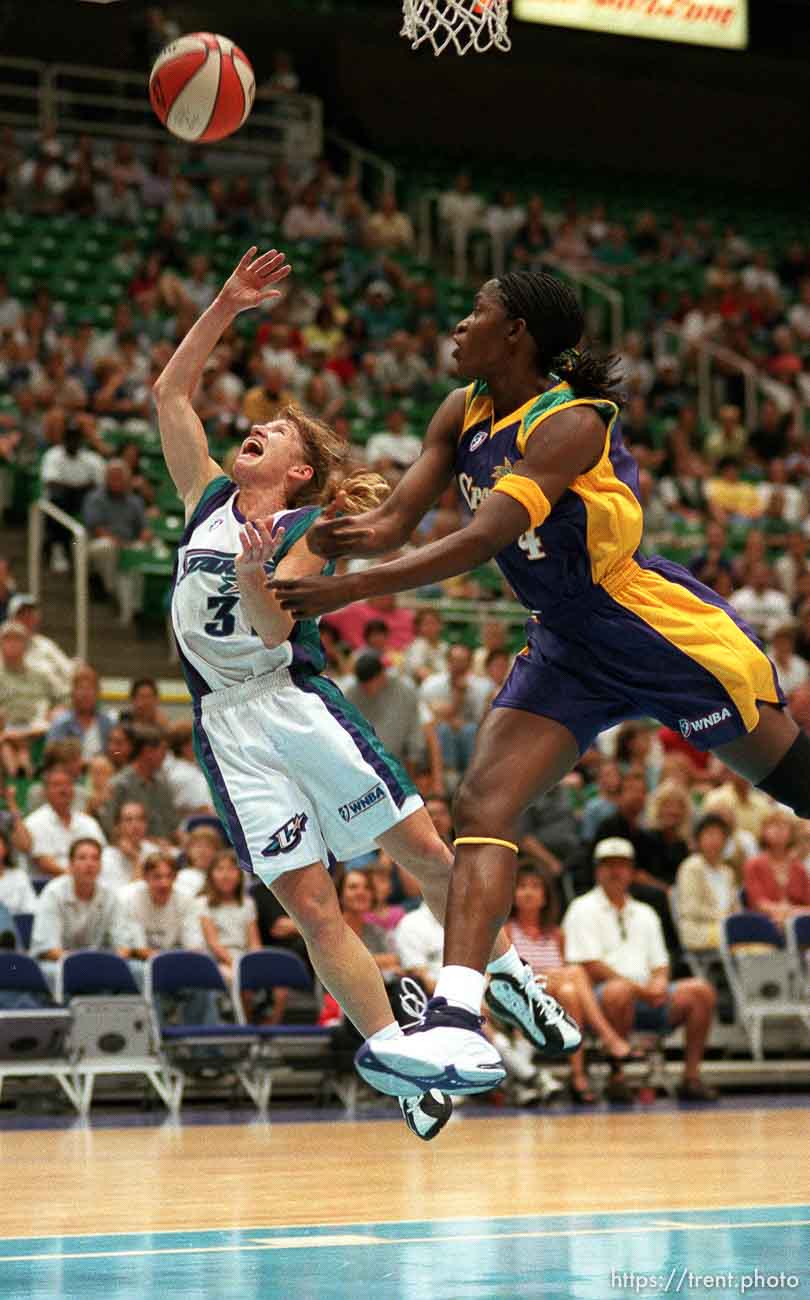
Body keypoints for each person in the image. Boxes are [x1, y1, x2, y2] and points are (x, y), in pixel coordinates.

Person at [271, 268, 810, 1096]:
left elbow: (485, 535)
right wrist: (305, 535)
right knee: (485, 804)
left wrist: (349, 589)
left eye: (475, 311)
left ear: (516, 330)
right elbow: (392, 523)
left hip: (648, 628)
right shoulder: (461, 408)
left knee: (796, 783)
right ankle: (458, 1012)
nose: (457, 323)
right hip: (564, 644)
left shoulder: (573, 424)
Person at [151, 248, 576, 1135]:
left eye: (277, 433)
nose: (257, 430)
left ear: (300, 472)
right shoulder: (204, 500)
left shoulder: (305, 525)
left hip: (291, 700)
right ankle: (406, 1064)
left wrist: (260, 573)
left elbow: (272, 632)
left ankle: (514, 978)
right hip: (225, 728)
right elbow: (170, 396)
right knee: (310, 905)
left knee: (423, 853)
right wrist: (225, 304)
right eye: (258, 426)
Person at [564, 839, 719, 1102]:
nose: (616, 872)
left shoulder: (646, 912)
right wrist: (641, 990)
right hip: (602, 998)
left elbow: (660, 962)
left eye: (622, 865)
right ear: (597, 871)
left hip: (648, 995)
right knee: (617, 991)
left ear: (632, 870)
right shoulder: (582, 908)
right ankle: (617, 1077)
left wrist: (659, 983)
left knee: (700, 991)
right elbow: (590, 966)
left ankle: (691, 1077)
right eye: (609, 865)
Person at [506, 862, 637, 1103]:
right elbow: (506, 974)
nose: (528, 892)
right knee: (575, 973)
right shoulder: (507, 931)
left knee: (570, 991)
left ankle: (578, 1076)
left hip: (554, 1002)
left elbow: (563, 975)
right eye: (522, 886)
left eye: (535, 887)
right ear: (513, 895)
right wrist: (548, 975)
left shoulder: (556, 934)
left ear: (545, 897)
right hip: (522, 997)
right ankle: (609, 1038)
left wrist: (554, 977)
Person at [31, 837, 136, 992]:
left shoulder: (110, 897)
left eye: (95, 858)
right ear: (71, 865)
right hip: (59, 964)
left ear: (100, 865)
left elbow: (124, 946)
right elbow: (49, 949)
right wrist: (84, 964)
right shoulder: (53, 893)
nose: (89, 864)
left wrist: (102, 963)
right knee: (53, 974)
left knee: (136, 970)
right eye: (82, 858)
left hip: (100, 964)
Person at [24, 763, 107, 886]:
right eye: (57, 785)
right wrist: (77, 877)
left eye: (68, 784)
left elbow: (103, 854)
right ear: (45, 791)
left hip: (88, 883)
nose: (63, 790)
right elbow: (43, 863)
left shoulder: (88, 822)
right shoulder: (34, 822)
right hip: (48, 886)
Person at [675, 814, 738, 951]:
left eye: (719, 835)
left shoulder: (727, 871)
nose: (714, 840)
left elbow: (735, 906)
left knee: (754, 935)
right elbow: (692, 908)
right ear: (699, 839)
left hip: (725, 927)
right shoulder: (691, 867)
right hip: (699, 930)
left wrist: (736, 919)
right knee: (740, 936)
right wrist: (725, 919)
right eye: (709, 834)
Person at [742, 810, 810, 929]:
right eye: (773, 825)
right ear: (763, 831)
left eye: (783, 826)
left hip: (797, 924)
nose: (778, 830)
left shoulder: (799, 868)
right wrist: (782, 912)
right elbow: (757, 903)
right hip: (764, 924)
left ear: (791, 833)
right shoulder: (753, 865)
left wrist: (792, 913)